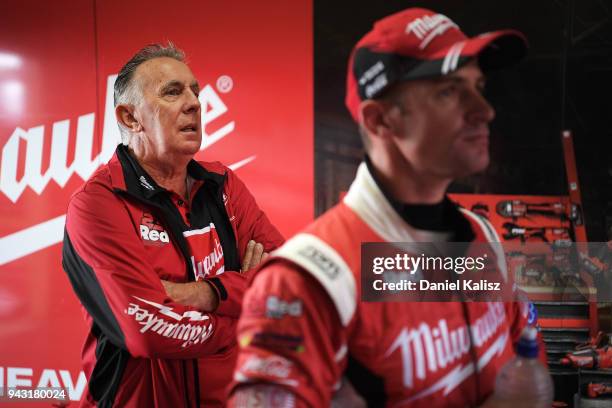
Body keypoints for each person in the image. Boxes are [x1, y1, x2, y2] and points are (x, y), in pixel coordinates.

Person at [229, 8, 546, 407]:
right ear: (380, 121)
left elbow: (521, 356)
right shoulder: (305, 281)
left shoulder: (480, 235)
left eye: (478, 86)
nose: (484, 110)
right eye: (449, 91)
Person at [62, 43, 283, 407]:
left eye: (195, 90)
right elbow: (147, 332)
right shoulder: (98, 204)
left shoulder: (223, 186)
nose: (195, 102)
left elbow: (287, 283)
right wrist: (247, 318)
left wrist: (205, 293)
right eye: (173, 91)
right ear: (130, 118)